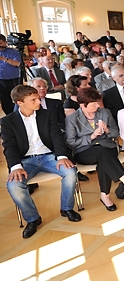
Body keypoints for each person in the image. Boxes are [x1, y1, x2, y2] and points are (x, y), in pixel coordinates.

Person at [2, 85, 81, 238]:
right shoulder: (8, 121)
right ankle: (33, 219)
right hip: (25, 161)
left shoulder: (47, 114)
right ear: (20, 103)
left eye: (38, 98)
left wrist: (62, 156)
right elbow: (9, 146)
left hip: (49, 156)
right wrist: (15, 166)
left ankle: (66, 208)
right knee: (13, 185)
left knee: (70, 172)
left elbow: (56, 136)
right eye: (33, 100)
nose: (39, 101)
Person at [66, 87, 124, 212]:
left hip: (107, 147)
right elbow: (71, 142)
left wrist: (107, 130)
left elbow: (116, 132)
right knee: (103, 154)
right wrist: (92, 136)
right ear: (82, 105)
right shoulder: (72, 119)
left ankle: (105, 195)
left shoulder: (104, 112)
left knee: (103, 158)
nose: (97, 105)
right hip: (84, 151)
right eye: (93, 104)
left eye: (97, 102)